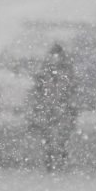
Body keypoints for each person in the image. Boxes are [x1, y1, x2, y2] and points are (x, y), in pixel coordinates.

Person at [28, 42, 79, 172]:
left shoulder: (54, 71)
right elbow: (38, 90)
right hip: (52, 107)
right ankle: (53, 160)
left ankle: (57, 160)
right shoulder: (51, 72)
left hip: (58, 107)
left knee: (59, 136)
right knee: (51, 136)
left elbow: (72, 90)